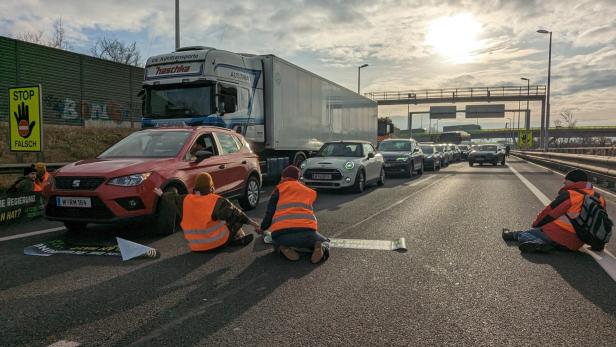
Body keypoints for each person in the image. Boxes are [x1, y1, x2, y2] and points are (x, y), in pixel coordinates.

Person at [502, 169, 607, 253]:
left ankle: (536, 242)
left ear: (573, 181)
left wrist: (536, 224)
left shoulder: (570, 195)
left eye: (566, 180)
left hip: (555, 235)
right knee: (536, 233)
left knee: (525, 235)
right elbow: (600, 222)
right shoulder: (599, 198)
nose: (564, 182)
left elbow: (549, 213)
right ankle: (543, 242)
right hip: (575, 244)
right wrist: (597, 244)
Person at [154, 172, 260, 251]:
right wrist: (253, 223)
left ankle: (233, 240)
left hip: (196, 246)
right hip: (215, 243)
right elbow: (237, 214)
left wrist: (161, 194)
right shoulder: (216, 200)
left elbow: (172, 198)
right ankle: (238, 239)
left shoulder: (185, 199)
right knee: (233, 217)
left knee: (224, 215)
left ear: (196, 186)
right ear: (211, 186)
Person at [256, 165, 330, 263]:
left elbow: (269, 213)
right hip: (307, 232)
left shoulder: (279, 189)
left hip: (281, 235)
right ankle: (320, 248)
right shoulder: (307, 191)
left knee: (273, 240)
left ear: (283, 177)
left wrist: (262, 228)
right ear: (297, 178)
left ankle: (283, 248)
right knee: (325, 241)